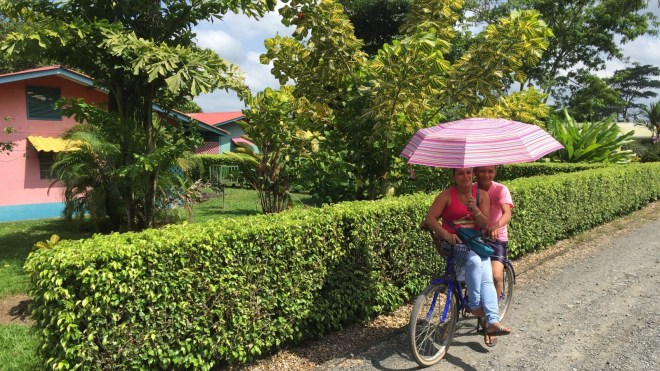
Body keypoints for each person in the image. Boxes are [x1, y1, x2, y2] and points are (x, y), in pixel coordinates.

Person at [423, 167, 512, 347]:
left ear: (473, 174)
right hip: (455, 245)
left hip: (476, 242)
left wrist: (475, 209)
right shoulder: (447, 195)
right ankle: (475, 303)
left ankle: (493, 322)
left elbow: (485, 223)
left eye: (469, 172)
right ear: (454, 176)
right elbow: (430, 218)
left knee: (487, 274)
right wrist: (445, 234)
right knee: (474, 260)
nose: (466, 176)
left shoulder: (481, 195)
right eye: (461, 173)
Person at [475, 166, 513, 299]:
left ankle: (494, 309)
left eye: (490, 171)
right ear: (475, 172)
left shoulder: (501, 190)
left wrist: (496, 226)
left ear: (495, 173)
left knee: (496, 275)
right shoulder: (471, 190)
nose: (486, 175)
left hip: (497, 237)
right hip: (476, 236)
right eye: (482, 171)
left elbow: (507, 214)